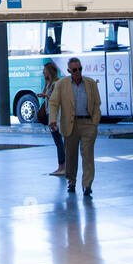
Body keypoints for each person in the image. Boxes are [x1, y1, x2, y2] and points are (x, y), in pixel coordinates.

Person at [47, 57, 101, 196]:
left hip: (88, 123)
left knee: (87, 154)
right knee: (71, 155)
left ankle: (87, 184)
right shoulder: (62, 84)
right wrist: (53, 120)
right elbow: (53, 103)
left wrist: (95, 122)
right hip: (70, 124)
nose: (78, 72)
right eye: (75, 70)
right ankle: (72, 181)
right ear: (69, 70)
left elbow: (97, 103)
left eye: (80, 69)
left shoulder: (90, 84)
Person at [39, 60, 67, 176]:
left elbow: (56, 98)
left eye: (44, 71)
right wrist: (45, 84)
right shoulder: (51, 83)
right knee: (58, 141)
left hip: (55, 115)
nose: (43, 73)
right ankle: (61, 166)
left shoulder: (57, 83)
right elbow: (45, 93)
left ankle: (63, 167)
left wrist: (46, 95)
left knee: (59, 141)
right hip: (50, 113)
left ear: (49, 71)